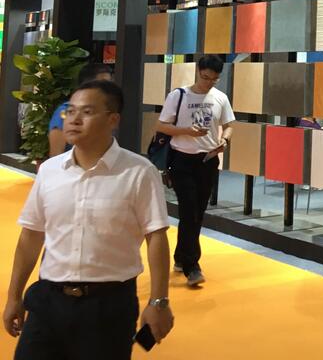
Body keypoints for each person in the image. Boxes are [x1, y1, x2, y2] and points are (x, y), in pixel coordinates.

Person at [3, 80, 174, 358]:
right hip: (48, 301)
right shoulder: (49, 171)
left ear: (113, 120)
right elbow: (31, 235)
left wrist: (159, 301)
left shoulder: (139, 172)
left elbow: (155, 236)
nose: (74, 119)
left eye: (87, 112)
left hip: (108, 308)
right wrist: (14, 296)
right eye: (70, 111)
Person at [155, 54, 235, 286]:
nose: (208, 82)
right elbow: (161, 126)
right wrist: (187, 131)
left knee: (197, 212)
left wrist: (225, 140)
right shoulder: (179, 95)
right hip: (181, 159)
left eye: (214, 79)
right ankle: (192, 266)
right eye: (205, 77)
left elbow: (229, 125)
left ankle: (181, 257)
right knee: (189, 210)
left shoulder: (220, 97)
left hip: (208, 160)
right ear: (198, 71)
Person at [48, 63, 113, 157]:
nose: (109, 89)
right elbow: (56, 155)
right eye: (104, 84)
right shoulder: (65, 111)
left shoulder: (108, 112)